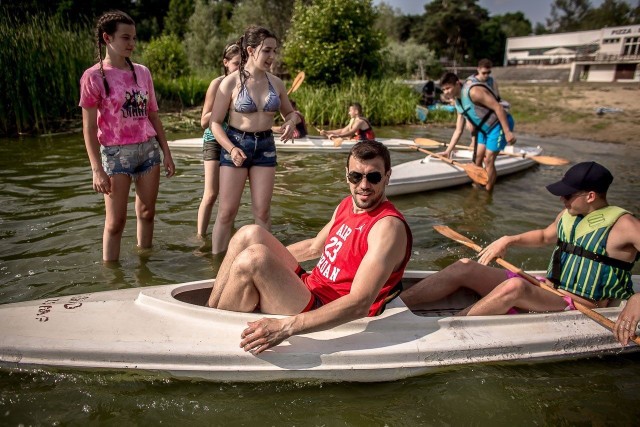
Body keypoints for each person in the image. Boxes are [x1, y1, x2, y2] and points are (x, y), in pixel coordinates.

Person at [207, 140, 412, 354]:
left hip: (323, 308)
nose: (363, 185)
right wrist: (271, 261)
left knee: (253, 259)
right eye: (356, 176)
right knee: (248, 235)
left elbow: (360, 302)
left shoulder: (387, 227)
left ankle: (215, 335)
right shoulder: (347, 205)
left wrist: (286, 328)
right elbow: (314, 247)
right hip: (308, 288)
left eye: (373, 177)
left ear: (387, 177)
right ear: (346, 175)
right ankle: (210, 312)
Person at [401, 161, 639, 317]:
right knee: (464, 267)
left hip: (583, 304)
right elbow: (545, 235)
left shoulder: (626, 225)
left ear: (590, 196)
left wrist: (637, 298)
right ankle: (396, 306)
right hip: (550, 289)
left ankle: (449, 326)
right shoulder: (570, 214)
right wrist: (508, 239)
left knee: (514, 286)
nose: (562, 200)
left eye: (567, 194)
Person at [79, 10, 175, 262]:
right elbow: (88, 128)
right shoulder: (93, 77)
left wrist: (166, 152)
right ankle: (112, 276)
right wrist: (96, 169)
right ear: (107, 38)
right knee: (115, 222)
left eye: (134, 38)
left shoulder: (143, 72)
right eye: (125, 38)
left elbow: (153, 114)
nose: (132, 43)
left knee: (147, 212)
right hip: (115, 155)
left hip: (148, 151)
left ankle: (145, 266)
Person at [209, 26, 300, 254]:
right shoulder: (229, 82)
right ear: (250, 50)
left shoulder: (277, 83)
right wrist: (230, 149)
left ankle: (264, 263)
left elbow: (291, 113)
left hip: (266, 148)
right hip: (236, 145)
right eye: (267, 50)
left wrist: (290, 122)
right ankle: (216, 267)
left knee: (263, 212)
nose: (272, 57)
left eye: (274, 51)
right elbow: (215, 123)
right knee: (227, 212)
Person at [439, 72, 516, 192]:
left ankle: (488, 192)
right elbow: (458, 130)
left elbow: (498, 107)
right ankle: (476, 185)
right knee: (478, 158)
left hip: (498, 126)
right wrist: (448, 151)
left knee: (488, 159)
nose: (446, 92)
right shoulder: (457, 103)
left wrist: (507, 132)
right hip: (484, 129)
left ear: (457, 83)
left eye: (448, 88)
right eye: (443, 89)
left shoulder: (473, 92)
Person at [196, 43, 241, 239]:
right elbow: (204, 121)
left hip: (235, 142)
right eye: (236, 64)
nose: (240, 68)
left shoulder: (247, 85)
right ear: (225, 63)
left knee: (229, 198)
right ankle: (200, 237)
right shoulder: (217, 84)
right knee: (212, 193)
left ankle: (227, 235)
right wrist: (224, 107)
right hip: (214, 140)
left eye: (243, 64)